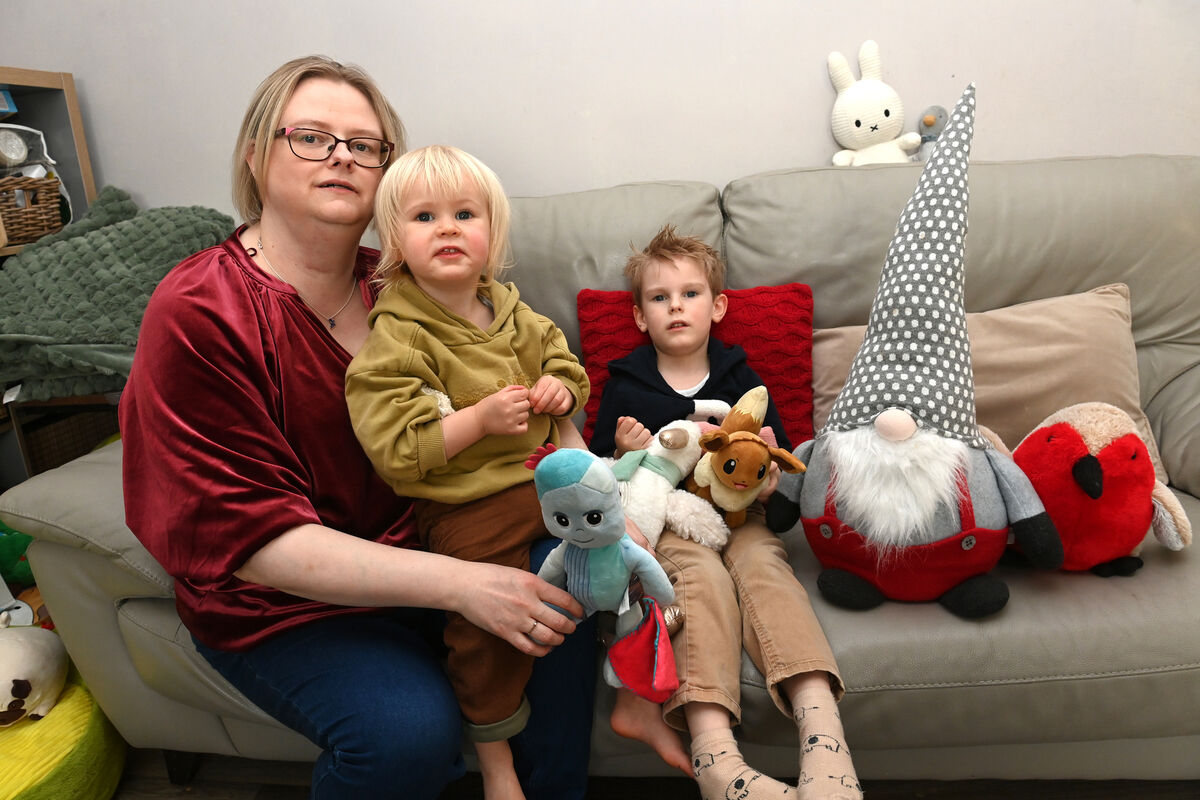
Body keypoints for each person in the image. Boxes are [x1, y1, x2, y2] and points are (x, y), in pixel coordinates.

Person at [119, 56, 595, 800]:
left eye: (365, 144)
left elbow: (535, 386)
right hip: (284, 605)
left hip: (436, 542)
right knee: (407, 734)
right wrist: (467, 587)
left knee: (559, 597)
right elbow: (243, 537)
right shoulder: (202, 309)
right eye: (310, 136)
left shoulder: (416, 284)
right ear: (255, 154)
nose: (342, 154)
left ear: (386, 176)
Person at [344, 144, 591, 800]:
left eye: (464, 214)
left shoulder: (513, 312)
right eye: (425, 217)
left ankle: (644, 683)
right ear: (394, 241)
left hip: (544, 478)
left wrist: (561, 394)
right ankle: (496, 758)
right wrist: (477, 422)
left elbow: (566, 364)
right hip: (468, 506)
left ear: (493, 234)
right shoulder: (397, 337)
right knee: (484, 631)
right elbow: (396, 449)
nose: (448, 228)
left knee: (623, 537)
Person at [592, 226, 862, 800]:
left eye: (689, 295)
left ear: (717, 307)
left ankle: (824, 737)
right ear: (641, 317)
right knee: (699, 583)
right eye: (659, 298)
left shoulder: (744, 379)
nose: (676, 308)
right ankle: (716, 757)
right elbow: (602, 476)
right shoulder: (625, 384)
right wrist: (621, 446)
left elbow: (781, 467)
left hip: (742, 519)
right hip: (670, 518)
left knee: (767, 570)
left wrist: (765, 478)